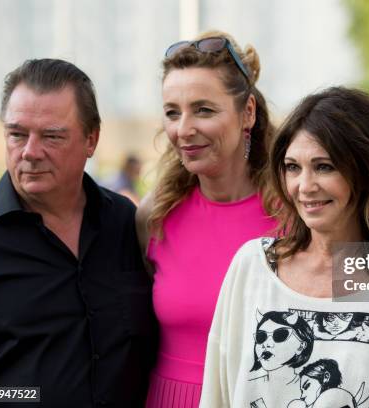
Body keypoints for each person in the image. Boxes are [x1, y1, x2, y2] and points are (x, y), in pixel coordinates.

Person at [200, 87, 369, 407]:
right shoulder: (251, 267)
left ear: (367, 171)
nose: (305, 186)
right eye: (293, 167)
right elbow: (217, 396)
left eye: (324, 166)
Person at [0, 59, 157, 407]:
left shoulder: (125, 222)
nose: (30, 152)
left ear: (92, 139)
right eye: (17, 134)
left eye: (52, 136)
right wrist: (23, 396)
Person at [136, 31, 277, 408]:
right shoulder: (155, 217)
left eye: (203, 110)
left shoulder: (297, 214)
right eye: (172, 112)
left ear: (247, 112)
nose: (183, 129)